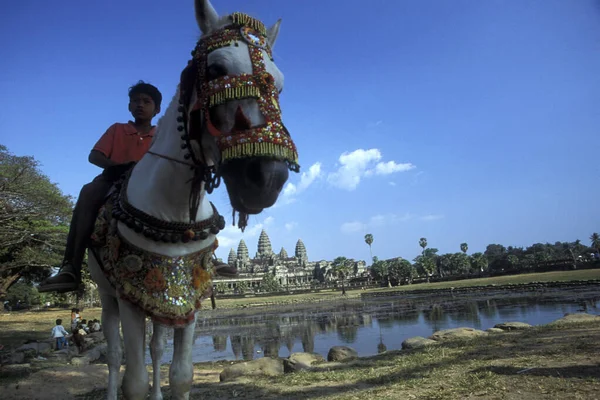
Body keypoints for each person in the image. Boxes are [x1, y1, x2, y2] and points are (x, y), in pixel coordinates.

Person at [38, 81, 163, 293]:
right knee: (87, 192)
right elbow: (94, 156)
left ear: (157, 109)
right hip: (112, 179)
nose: (140, 105)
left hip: (148, 183)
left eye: (146, 101)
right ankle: (71, 266)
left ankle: (205, 256)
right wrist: (117, 167)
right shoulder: (118, 129)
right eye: (135, 101)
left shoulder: (161, 135)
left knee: (183, 194)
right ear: (129, 107)